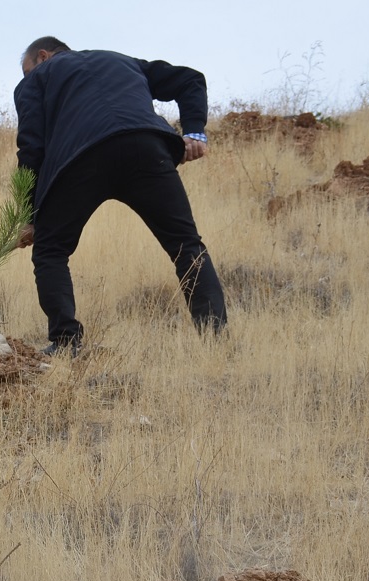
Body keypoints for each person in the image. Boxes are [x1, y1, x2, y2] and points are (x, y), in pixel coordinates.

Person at [13, 36, 227, 356]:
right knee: (186, 246)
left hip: (78, 161)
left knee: (51, 251)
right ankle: (216, 343)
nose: (26, 77)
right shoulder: (122, 60)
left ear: (42, 56)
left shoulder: (37, 80)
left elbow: (31, 146)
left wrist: (30, 216)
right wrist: (194, 131)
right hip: (144, 146)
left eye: (27, 71)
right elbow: (190, 80)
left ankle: (66, 342)